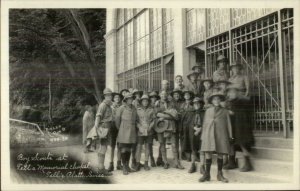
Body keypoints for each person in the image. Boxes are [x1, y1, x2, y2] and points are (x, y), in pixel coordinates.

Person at [199, 91, 233, 183]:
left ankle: (219, 174)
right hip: (208, 133)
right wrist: (203, 136)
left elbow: (228, 123)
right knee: (208, 152)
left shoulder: (225, 111)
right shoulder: (208, 111)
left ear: (220, 100)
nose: (216, 100)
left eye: (218, 99)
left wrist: (230, 135)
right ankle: (207, 174)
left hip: (221, 133)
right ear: (212, 101)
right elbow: (205, 123)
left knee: (220, 153)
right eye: (214, 99)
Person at [225, 86, 254, 172]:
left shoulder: (243, 101)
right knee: (232, 143)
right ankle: (232, 162)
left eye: (233, 92)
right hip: (234, 126)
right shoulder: (231, 102)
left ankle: (248, 164)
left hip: (242, 127)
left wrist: (231, 112)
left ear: (237, 93)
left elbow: (243, 114)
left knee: (243, 144)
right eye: (230, 93)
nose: (231, 94)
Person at [86, 88, 114, 176]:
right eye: (107, 95)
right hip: (104, 127)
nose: (109, 96)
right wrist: (96, 127)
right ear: (105, 96)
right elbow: (98, 116)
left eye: (110, 95)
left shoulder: (108, 105)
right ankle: (101, 168)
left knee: (103, 147)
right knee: (103, 147)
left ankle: (100, 167)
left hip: (107, 127)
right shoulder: (103, 105)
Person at [154, 90, 184, 169]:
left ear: (167, 95)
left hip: (171, 126)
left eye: (165, 94)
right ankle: (165, 162)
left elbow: (175, 115)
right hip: (160, 126)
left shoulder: (171, 103)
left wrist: (163, 115)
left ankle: (177, 163)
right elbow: (156, 114)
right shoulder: (157, 104)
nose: (164, 95)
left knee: (174, 145)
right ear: (160, 95)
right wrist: (168, 114)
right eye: (162, 94)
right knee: (162, 144)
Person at [115, 93, 138, 175]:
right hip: (123, 130)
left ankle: (128, 166)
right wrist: (120, 129)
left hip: (132, 131)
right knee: (124, 149)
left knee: (129, 149)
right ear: (125, 100)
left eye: (131, 98)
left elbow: (136, 120)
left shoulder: (134, 108)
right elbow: (117, 120)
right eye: (128, 99)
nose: (130, 100)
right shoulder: (121, 108)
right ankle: (124, 166)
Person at [135, 95, 155, 171]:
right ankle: (137, 163)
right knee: (139, 147)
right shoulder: (138, 110)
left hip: (149, 131)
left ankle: (146, 163)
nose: (145, 102)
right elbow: (136, 121)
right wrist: (139, 127)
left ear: (148, 102)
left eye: (146, 101)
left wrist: (150, 127)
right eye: (143, 101)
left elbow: (154, 120)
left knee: (147, 147)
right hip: (140, 131)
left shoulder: (151, 109)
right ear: (141, 102)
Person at [188, 97, 205, 174]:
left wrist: (200, 129)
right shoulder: (192, 113)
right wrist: (194, 128)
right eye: (195, 103)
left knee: (202, 150)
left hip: (202, 133)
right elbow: (190, 123)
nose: (196, 105)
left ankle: (202, 166)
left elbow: (206, 123)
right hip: (193, 133)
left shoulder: (204, 113)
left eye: (198, 103)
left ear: (201, 104)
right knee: (193, 149)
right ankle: (193, 165)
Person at [108, 92, 123, 172]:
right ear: (113, 99)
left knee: (120, 145)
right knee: (112, 146)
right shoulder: (110, 107)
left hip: (120, 127)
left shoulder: (122, 107)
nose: (117, 98)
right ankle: (111, 164)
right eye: (115, 97)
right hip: (112, 127)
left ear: (120, 99)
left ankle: (119, 163)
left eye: (118, 97)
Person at [179, 89, 194, 162]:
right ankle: (186, 156)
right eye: (185, 95)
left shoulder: (194, 103)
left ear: (190, 96)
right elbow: (180, 114)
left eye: (188, 95)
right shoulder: (182, 104)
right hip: (184, 124)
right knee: (184, 140)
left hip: (191, 124)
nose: (187, 96)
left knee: (191, 140)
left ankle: (194, 155)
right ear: (184, 96)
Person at [170, 88, 183, 161]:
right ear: (173, 95)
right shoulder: (171, 103)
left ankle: (182, 155)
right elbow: (171, 112)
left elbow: (183, 111)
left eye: (178, 94)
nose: (176, 95)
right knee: (174, 141)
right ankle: (176, 156)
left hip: (181, 123)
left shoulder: (182, 102)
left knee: (182, 139)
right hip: (174, 123)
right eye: (175, 94)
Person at [148, 91, 160, 167]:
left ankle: (160, 158)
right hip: (151, 126)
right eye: (152, 97)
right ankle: (151, 158)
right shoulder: (148, 106)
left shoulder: (159, 105)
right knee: (149, 143)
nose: (153, 98)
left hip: (158, 126)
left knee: (161, 142)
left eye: (155, 97)